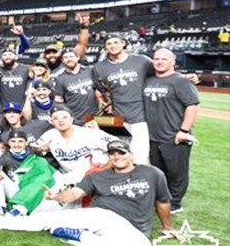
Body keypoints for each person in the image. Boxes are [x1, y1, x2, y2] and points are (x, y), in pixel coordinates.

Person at [0, 140, 174, 246]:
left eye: (121, 153)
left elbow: (163, 201)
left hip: (130, 227)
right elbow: (74, 194)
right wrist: (57, 197)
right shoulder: (99, 176)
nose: (117, 157)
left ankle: (79, 236)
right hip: (100, 215)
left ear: (131, 155)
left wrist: (168, 227)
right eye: (112, 154)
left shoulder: (152, 173)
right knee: (48, 220)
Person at [143, 48, 199, 213]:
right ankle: (162, 199)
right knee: (159, 171)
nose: (160, 62)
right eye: (157, 59)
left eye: (164, 59)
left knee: (176, 173)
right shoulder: (148, 80)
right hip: (153, 136)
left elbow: (192, 106)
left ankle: (174, 203)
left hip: (174, 135)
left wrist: (184, 130)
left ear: (173, 62)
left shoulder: (180, 81)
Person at [91, 34, 153, 164]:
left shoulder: (142, 60)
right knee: (120, 154)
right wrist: (106, 102)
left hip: (140, 115)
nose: (113, 46)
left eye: (116, 42)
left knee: (141, 156)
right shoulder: (99, 68)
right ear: (105, 47)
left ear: (123, 43)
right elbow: (101, 89)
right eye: (109, 44)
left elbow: (160, 75)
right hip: (118, 117)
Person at [36, 106, 117, 187]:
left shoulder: (88, 133)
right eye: (56, 118)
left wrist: (108, 166)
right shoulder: (50, 135)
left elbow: (118, 144)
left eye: (64, 117)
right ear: (51, 122)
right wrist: (39, 149)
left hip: (97, 174)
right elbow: (32, 149)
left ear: (71, 119)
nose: (60, 121)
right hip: (71, 177)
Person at [50, 48, 96, 125]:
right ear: (62, 60)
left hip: (95, 116)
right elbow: (59, 100)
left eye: (71, 56)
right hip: (76, 118)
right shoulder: (59, 78)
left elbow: (100, 89)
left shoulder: (90, 71)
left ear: (77, 58)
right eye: (66, 57)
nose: (69, 59)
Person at [0, 47, 30, 112]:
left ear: (16, 57)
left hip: (22, 107)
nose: (7, 57)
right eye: (5, 55)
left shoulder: (26, 69)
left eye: (10, 55)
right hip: (3, 108)